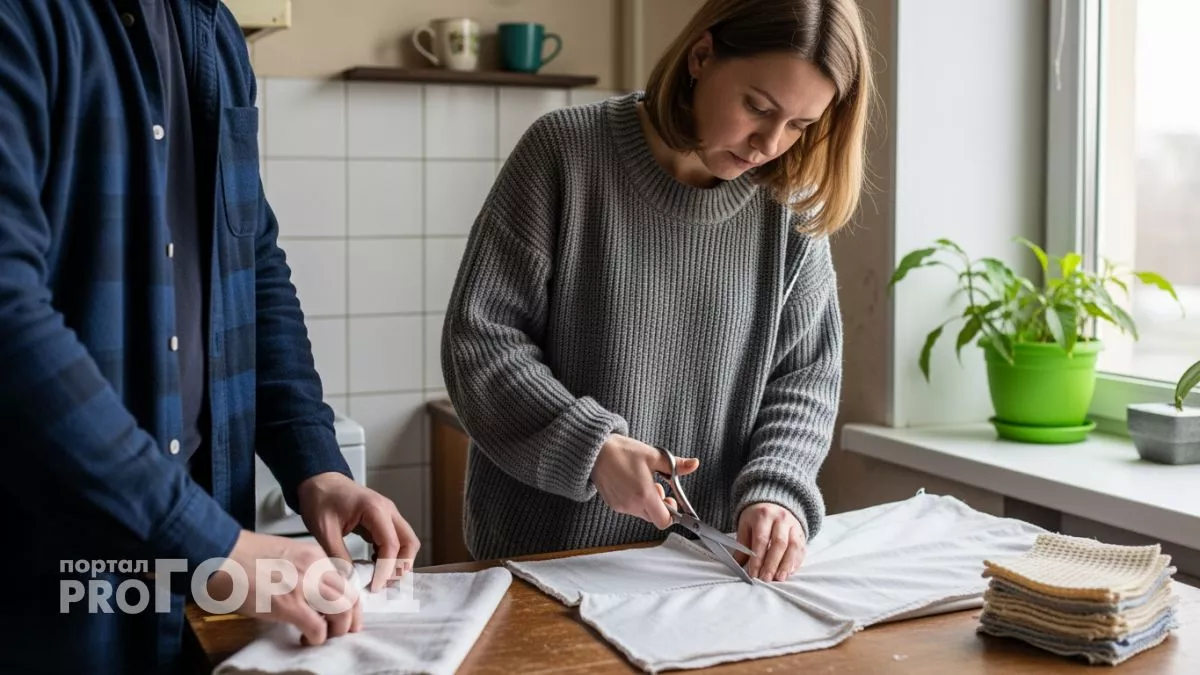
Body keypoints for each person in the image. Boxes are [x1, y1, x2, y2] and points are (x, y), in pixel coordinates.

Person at [0, 1, 420, 673]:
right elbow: (9, 320)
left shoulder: (215, 33)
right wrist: (212, 543)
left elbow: (250, 262)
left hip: (192, 590)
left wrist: (316, 464)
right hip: (47, 589)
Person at [442, 0, 872, 582]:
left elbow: (805, 376)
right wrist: (592, 451)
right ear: (701, 56)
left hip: (706, 568)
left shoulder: (787, 208)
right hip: (543, 562)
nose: (770, 144)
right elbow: (482, 341)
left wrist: (776, 488)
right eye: (757, 107)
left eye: (799, 125)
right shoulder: (565, 153)